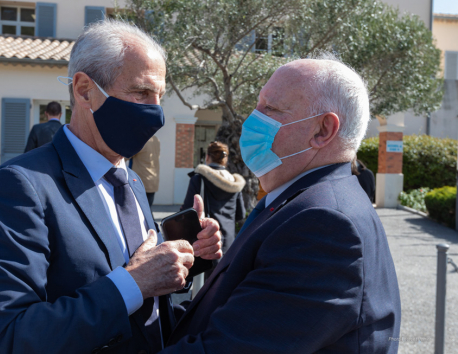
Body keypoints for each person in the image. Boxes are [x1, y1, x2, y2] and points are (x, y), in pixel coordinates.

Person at [0, 20, 221, 354]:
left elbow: (141, 283)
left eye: (158, 96)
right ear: (85, 90)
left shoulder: (129, 179)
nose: (155, 111)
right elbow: (7, 339)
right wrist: (133, 283)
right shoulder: (17, 187)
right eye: (141, 92)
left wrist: (187, 257)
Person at [163, 55, 401, 353]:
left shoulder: (323, 224)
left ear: (323, 130)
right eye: (258, 105)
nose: (253, 118)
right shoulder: (301, 200)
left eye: (271, 109)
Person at [181, 141, 245, 276]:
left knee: (202, 289)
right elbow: (241, 214)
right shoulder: (235, 183)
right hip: (228, 243)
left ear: (207, 157)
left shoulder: (199, 179)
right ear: (225, 159)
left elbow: (187, 211)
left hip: (205, 241)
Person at [129, 135, 160, 207]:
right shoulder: (155, 139)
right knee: (147, 210)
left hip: (141, 180)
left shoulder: (142, 140)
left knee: (140, 211)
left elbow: (124, 156)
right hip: (153, 180)